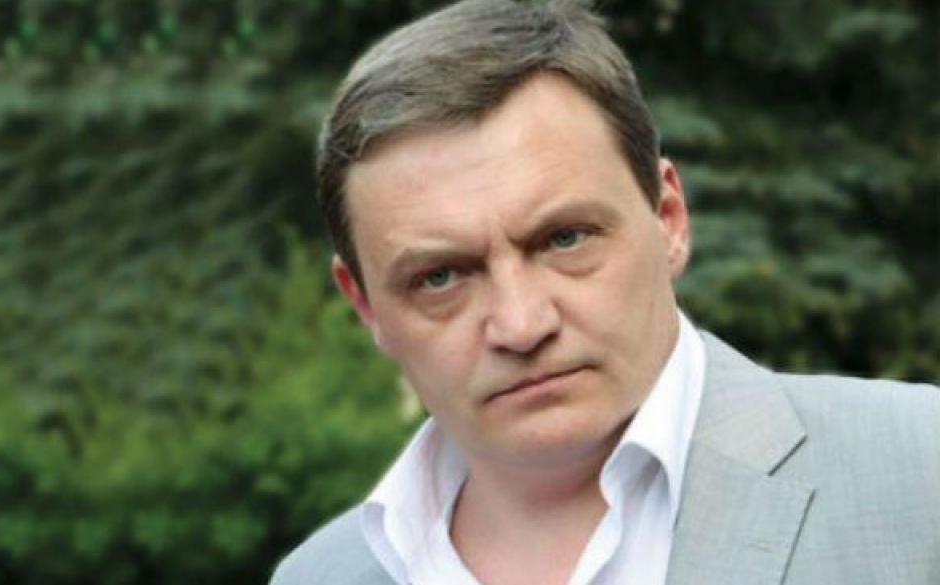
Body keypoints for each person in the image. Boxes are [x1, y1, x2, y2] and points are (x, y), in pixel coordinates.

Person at [270, 1, 940, 583]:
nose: (521, 324)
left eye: (565, 239)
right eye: (440, 277)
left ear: (668, 218)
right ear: (365, 305)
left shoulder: (919, 469)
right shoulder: (321, 577)